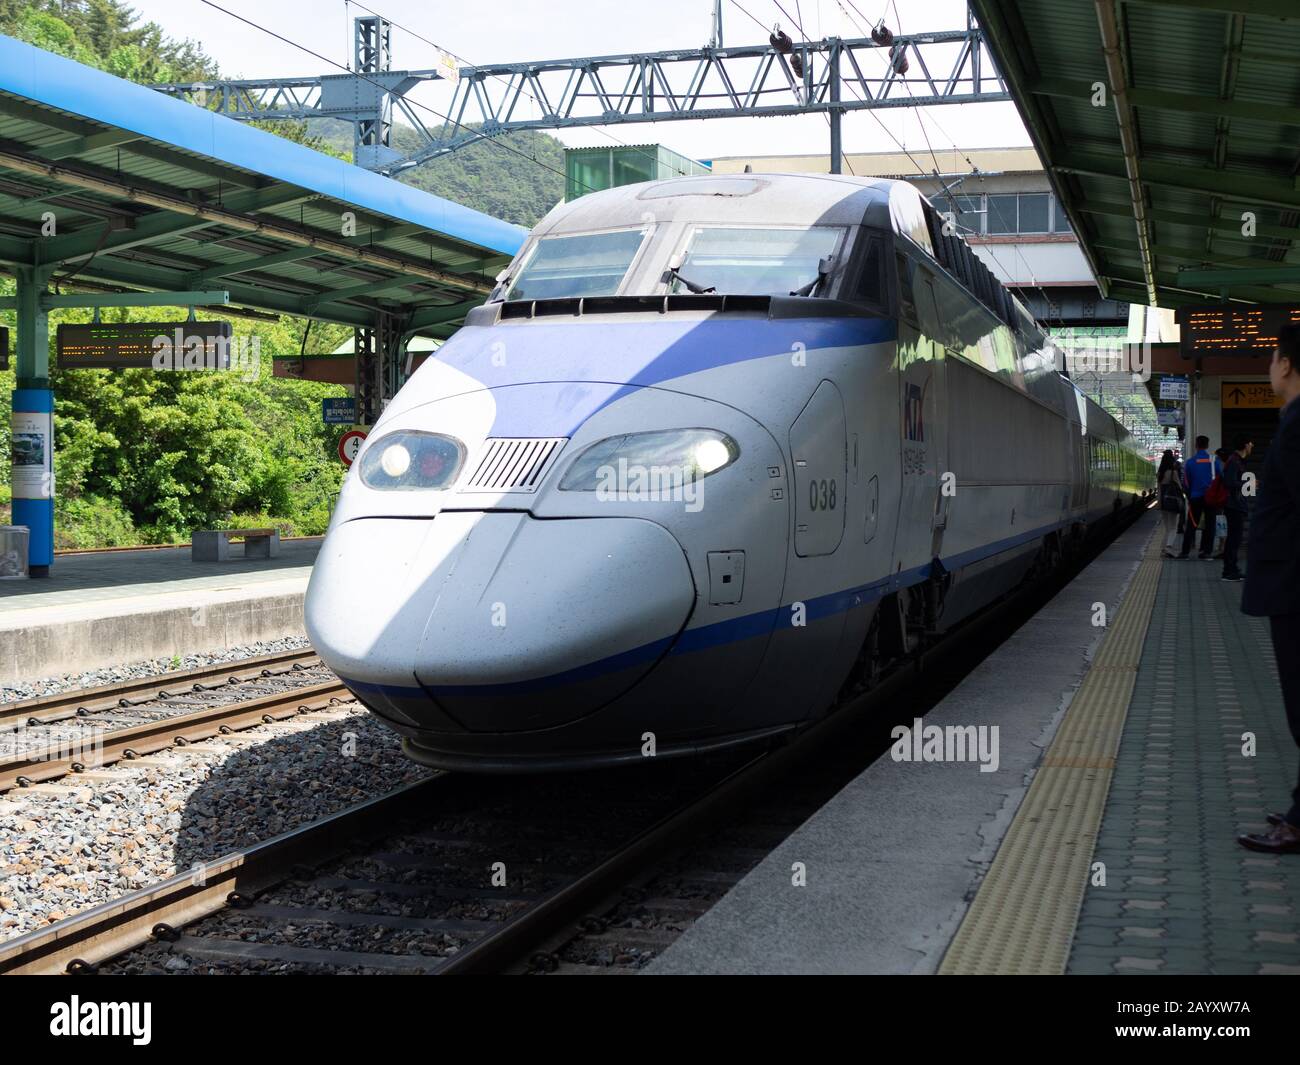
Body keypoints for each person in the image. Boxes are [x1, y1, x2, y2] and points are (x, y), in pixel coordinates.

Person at [1238, 324, 1300, 854]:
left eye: (1273, 357)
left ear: (1286, 365)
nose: (1269, 367)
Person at [1177, 434, 1221, 559]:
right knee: (1210, 525)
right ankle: (1206, 552)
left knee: (1191, 524)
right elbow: (1220, 478)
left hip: (1195, 498)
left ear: (1196, 446)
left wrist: (1189, 497)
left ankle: (1185, 552)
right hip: (1211, 498)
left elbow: (1185, 483)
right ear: (1207, 446)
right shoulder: (1214, 461)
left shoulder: (1190, 463)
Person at [1220, 434, 1253, 582]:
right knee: (1234, 539)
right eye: (1250, 443)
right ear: (1245, 445)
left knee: (1235, 538)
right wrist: (1248, 484)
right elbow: (1229, 482)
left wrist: (1249, 484)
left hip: (1237, 504)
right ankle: (1228, 571)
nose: (1252, 446)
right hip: (1233, 505)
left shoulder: (1238, 461)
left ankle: (1233, 568)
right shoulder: (1234, 461)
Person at [1156, 450, 1184, 558]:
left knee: (1167, 527)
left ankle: (1164, 549)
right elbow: (1179, 488)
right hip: (1172, 502)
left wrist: (1159, 503)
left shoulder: (1160, 473)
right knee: (1174, 527)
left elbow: (1159, 490)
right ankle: (1168, 547)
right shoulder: (1173, 472)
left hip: (1163, 502)